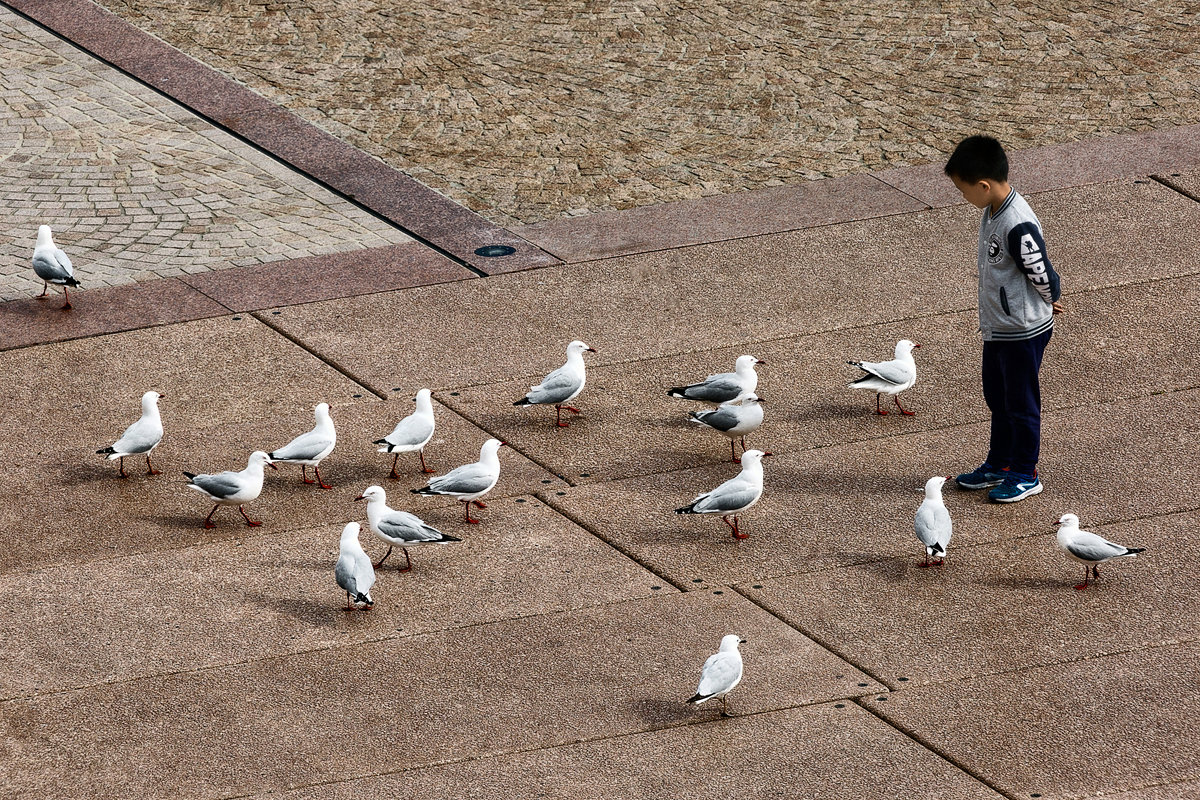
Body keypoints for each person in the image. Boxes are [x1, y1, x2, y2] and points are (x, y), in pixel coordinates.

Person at [944, 135, 1064, 502]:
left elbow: (1040, 269)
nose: (964, 198)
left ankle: (1026, 472)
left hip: (1021, 331)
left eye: (964, 191)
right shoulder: (992, 210)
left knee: (1021, 404)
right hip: (1000, 328)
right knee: (997, 397)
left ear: (983, 185)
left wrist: (1050, 297)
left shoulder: (1016, 222)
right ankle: (1000, 464)